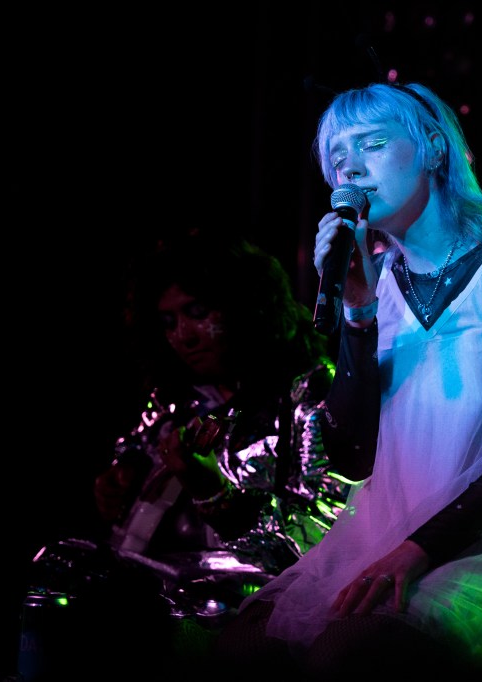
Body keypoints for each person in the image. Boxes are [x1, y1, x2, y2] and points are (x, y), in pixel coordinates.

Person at [210, 82, 482, 681]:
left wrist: (419, 550)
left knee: (342, 657)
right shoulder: (377, 276)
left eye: (372, 144)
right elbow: (351, 454)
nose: (350, 168)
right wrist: (357, 313)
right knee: (239, 652)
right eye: (337, 157)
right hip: (386, 537)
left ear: (433, 147)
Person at [28, 231, 348, 680]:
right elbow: (133, 461)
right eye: (168, 322)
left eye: (198, 313)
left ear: (247, 305)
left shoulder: (309, 391)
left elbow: (320, 542)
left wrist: (213, 494)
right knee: (60, 564)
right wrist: (118, 482)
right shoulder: (179, 398)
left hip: (248, 599)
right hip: (160, 586)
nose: (184, 336)